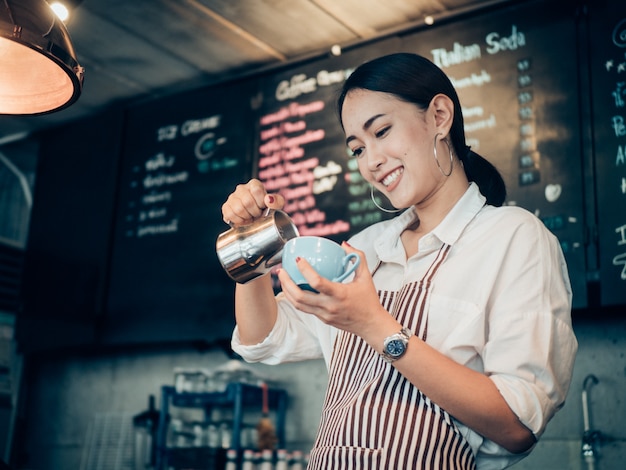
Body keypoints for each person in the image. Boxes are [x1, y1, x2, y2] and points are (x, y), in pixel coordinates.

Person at [221, 53, 577, 469]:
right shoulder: (365, 248)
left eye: (382, 131)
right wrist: (250, 244)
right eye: (357, 148)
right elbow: (263, 338)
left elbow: (517, 426)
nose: (370, 162)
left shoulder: (513, 237)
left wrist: (373, 323)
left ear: (440, 116)